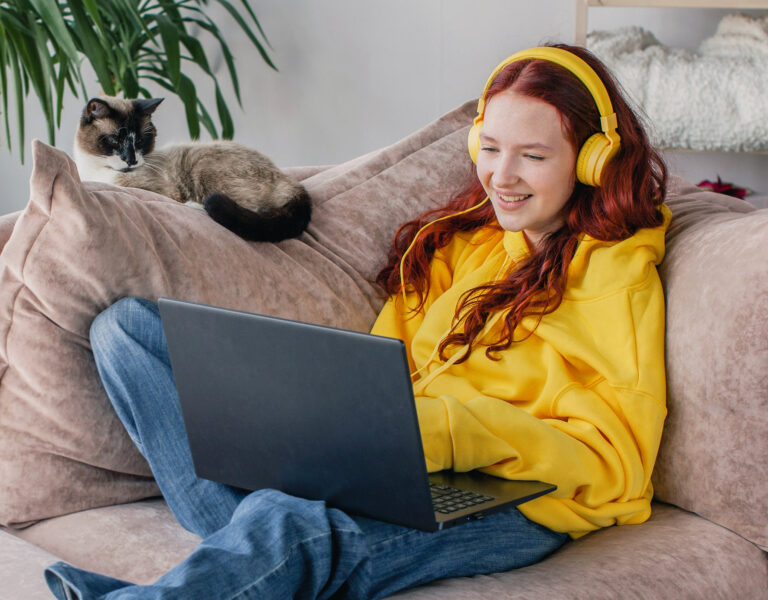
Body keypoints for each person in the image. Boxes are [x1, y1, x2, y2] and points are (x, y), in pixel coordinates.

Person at [44, 43, 671, 599]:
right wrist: (336, 419)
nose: (501, 177)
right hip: (395, 462)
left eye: (532, 156)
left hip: (524, 501)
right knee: (125, 331)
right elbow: (383, 375)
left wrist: (450, 431)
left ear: (593, 160)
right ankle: (259, 546)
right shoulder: (460, 244)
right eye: (491, 149)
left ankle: (231, 559)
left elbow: (615, 462)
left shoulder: (618, 273)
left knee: (293, 524)